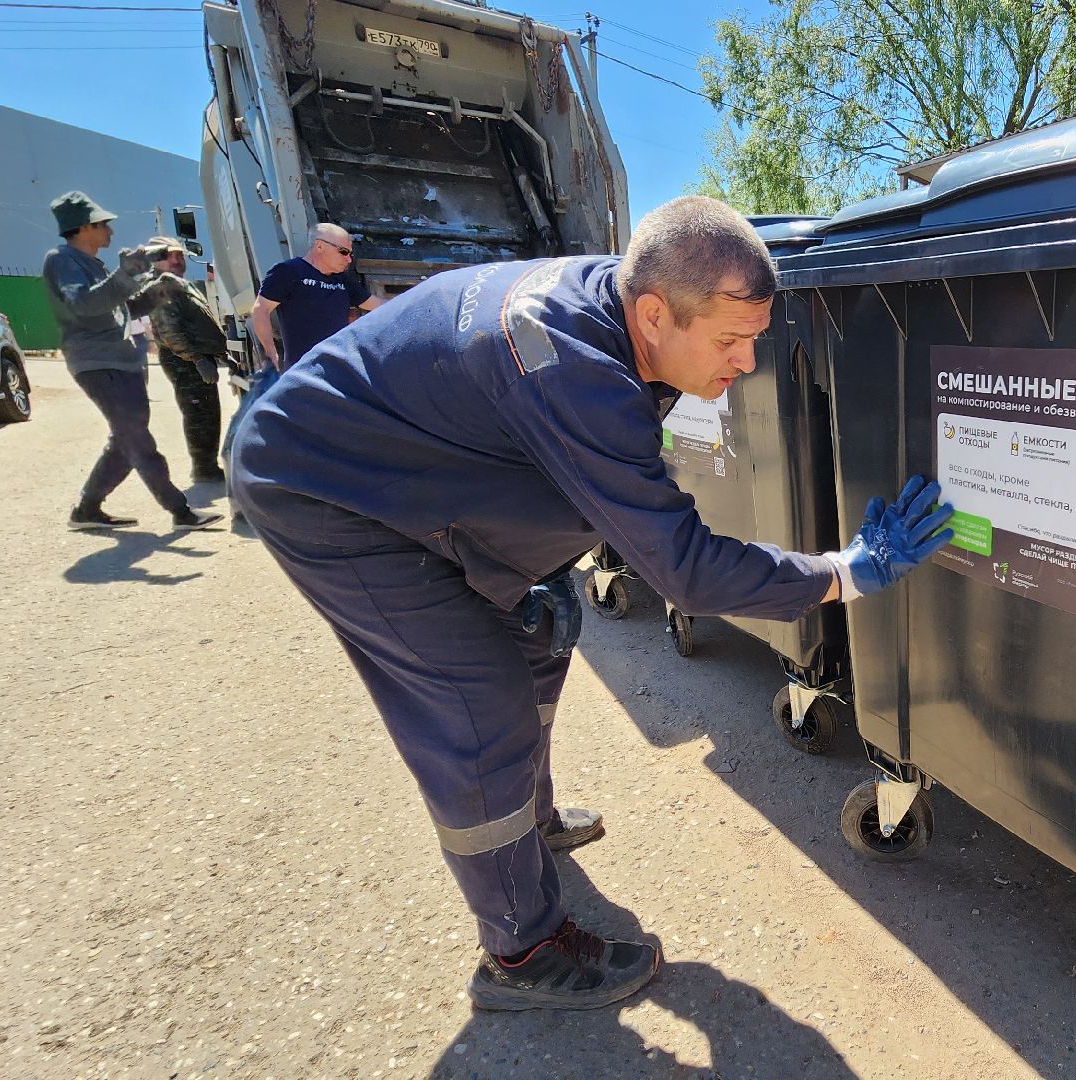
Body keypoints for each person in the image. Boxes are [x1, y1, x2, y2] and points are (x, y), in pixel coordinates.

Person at [231, 195, 952, 1012]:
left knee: (539, 633)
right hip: (322, 488)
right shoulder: (571, 365)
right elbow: (685, 570)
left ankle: (525, 824)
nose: (747, 361)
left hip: (419, 465)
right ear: (654, 314)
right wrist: (845, 572)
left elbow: (586, 473)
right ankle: (523, 950)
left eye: (756, 337)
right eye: (729, 340)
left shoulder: (619, 312)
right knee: (478, 705)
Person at [41, 191, 222, 532]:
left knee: (125, 440)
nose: (110, 231)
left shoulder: (92, 264)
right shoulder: (62, 260)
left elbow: (119, 311)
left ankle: (87, 509)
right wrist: (125, 274)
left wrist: (158, 293)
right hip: (98, 362)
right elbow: (84, 305)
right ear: (84, 227)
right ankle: (180, 511)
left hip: (119, 361)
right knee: (136, 437)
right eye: (104, 225)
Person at [222, 223, 383, 460]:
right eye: (343, 252)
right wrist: (269, 352)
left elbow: (376, 305)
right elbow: (261, 310)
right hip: (304, 371)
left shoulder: (343, 280)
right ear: (320, 246)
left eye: (350, 253)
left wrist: (417, 300)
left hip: (338, 369)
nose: (349, 259)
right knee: (307, 432)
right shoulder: (289, 272)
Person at [139, 238, 227, 484]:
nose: (178, 260)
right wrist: (196, 358)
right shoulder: (162, 286)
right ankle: (204, 468)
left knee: (208, 412)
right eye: (172, 256)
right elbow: (169, 331)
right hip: (183, 359)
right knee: (198, 412)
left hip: (193, 356)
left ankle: (207, 466)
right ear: (157, 259)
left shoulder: (175, 283)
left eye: (181, 255)